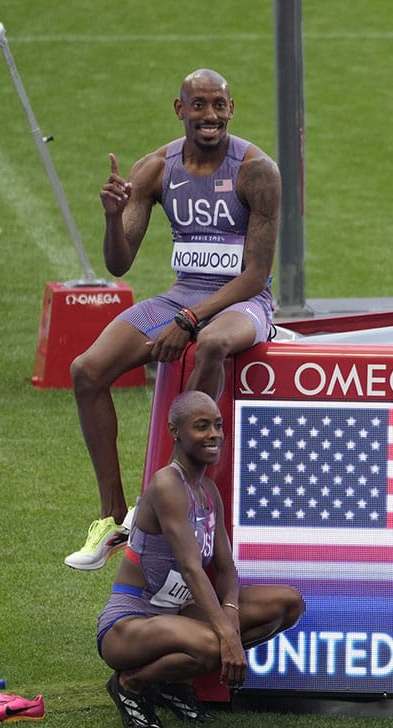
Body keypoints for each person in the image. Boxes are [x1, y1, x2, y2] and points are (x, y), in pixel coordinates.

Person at [66, 67, 280, 572]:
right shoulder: (155, 170)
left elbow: (255, 277)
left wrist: (190, 319)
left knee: (210, 344)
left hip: (242, 304)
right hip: (181, 295)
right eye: (199, 106)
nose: (210, 117)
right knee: (85, 371)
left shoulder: (257, 171)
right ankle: (113, 515)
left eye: (219, 106)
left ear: (231, 109)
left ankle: (165, 487)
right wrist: (113, 218)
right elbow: (119, 264)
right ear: (180, 109)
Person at [96, 390, 304, 728]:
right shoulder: (167, 484)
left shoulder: (207, 491)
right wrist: (227, 635)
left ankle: (172, 681)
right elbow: (193, 568)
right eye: (201, 426)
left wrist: (231, 615)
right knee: (212, 646)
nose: (214, 434)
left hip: (178, 615)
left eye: (218, 426)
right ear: (175, 431)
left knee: (287, 605)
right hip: (130, 624)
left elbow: (225, 569)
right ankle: (131, 684)